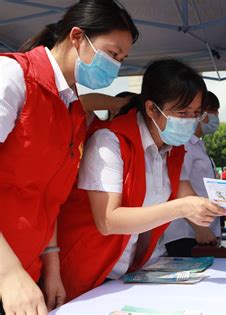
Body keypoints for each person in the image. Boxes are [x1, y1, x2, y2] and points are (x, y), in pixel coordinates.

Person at [0, 1, 138, 313]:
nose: (116, 65)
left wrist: (51, 266)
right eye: (112, 54)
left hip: (27, 273)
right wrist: (7, 272)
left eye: (122, 59)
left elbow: (48, 199)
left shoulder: (72, 109)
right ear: (77, 36)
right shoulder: (12, 77)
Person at [57, 59, 226, 301]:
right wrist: (181, 209)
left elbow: (183, 192)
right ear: (151, 108)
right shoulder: (109, 141)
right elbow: (108, 220)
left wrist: (216, 211)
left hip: (139, 271)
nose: (190, 120)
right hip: (93, 275)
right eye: (182, 113)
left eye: (196, 113)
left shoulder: (172, 148)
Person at [162, 91, 222, 257]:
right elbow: (179, 186)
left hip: (202, 228)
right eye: (212, 112)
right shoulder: (183, 145)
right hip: (186, 232)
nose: (216, 117)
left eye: (217, 112)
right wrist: (200, 228)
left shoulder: (198, 144)